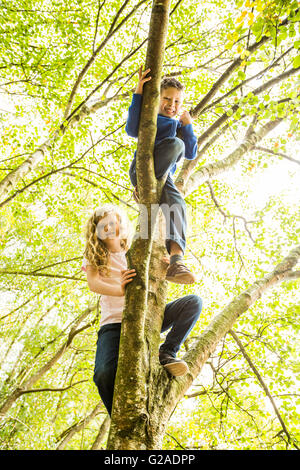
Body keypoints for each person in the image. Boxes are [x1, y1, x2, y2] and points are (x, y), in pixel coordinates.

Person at [82, 204, 203, 415]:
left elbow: (154, 277)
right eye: (105, 225)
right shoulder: (97, 255)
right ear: (96, 231)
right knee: (103, 373)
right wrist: (120, 290)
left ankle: (166, 352)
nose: (112, 227)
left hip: (147, 317)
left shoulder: (136, 251)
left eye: (115, 221)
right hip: (114, 323)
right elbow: (93, 283)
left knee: (193, 303)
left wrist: (164, 265)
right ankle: (118, 417)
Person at [126, 66, 198, 285]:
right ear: (156, 99)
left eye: (177, 102)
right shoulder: (149, 116)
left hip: (164, 178)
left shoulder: (178, 126)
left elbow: (191, 152)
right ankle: (143, 185)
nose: (172, 105)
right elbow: (131, 128)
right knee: (175, 145)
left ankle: (176, 261)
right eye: (167, 99)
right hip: (141, 169)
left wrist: (188, 126)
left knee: (179, 205)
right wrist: (139, 90)